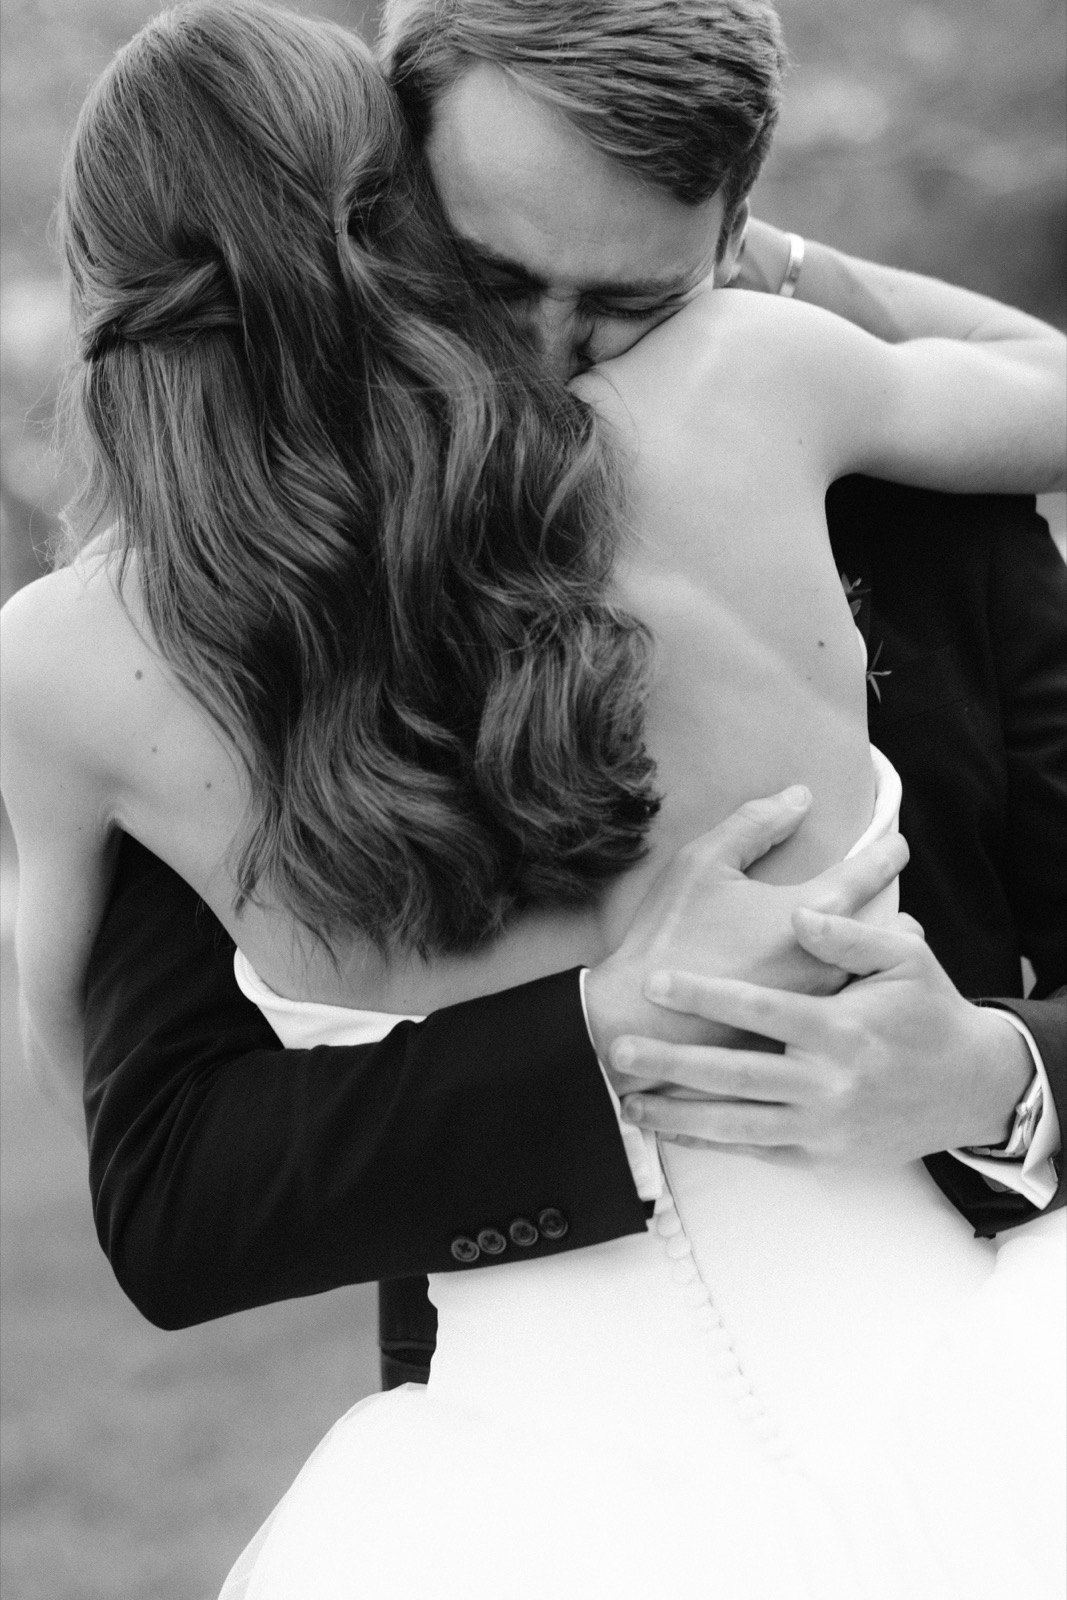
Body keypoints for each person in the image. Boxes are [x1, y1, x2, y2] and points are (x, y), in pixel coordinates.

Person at [2, 4, 1063, 1595]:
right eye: (494, 276)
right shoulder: (762, 387)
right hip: (672, 1472)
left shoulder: (92, 667)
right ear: (393, 210)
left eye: (632, 293)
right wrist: (581, 1036)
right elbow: (168, 1178)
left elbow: (59, 1054)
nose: (558, 349)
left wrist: (996, 1077)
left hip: (893, 1376)